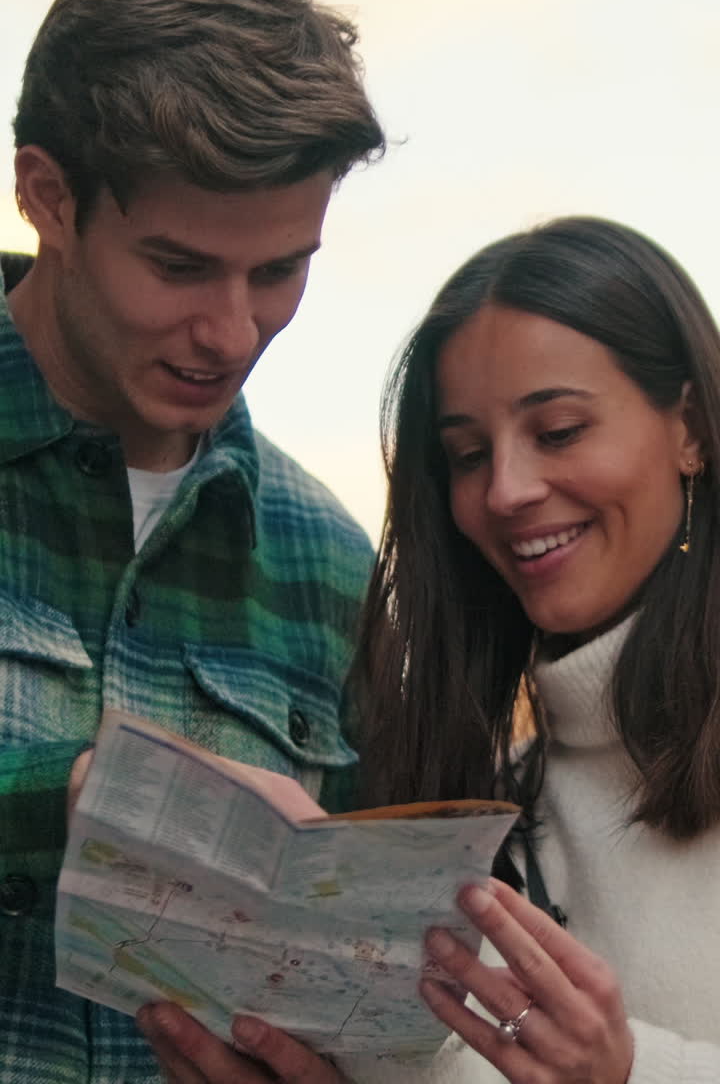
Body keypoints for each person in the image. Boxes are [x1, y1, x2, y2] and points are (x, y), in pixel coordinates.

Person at [150, 216, 720, 1084]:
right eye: (466, 454)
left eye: (558, 430)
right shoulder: (471, 793)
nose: (507, 490)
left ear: (689, 428)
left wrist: (630, 1073)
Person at [0, 0, 384, 1083]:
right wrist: (66, 798)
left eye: (280, 271)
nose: (232, 332)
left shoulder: (331, 564)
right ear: (48, 196)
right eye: (178, 265)